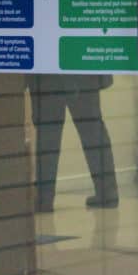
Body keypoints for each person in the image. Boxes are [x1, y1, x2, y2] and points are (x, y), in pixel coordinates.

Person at [30, 74, 119, 212]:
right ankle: (107, 192)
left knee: (48, 135)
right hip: (80, 70)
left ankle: (44, 199)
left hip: (47, 75)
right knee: (92, 131)